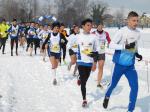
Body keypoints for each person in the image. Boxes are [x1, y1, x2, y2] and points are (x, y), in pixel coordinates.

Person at [103, 11, 143, 112]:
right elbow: (111, 45)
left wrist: (137, 53)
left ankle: (130, 110)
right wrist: (124, 46)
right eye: (133, 20)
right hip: (118, 65)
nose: (136, 23)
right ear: (128, 21)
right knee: (113, 85)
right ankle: (107, 96)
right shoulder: (121, 31)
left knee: (135, 87)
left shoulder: (138, 33)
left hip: (130, 66)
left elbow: (134, 46)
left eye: (137, 20)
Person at [76, 19, 99, 107]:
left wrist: (95, 62)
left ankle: (79, 78)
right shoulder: (78, 36)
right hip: (81, 61)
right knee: (83, 82)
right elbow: (72, 46)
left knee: (85, 80)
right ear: (83, 26)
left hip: (89, 62)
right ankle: (84, 99)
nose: (90, 27)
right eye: (88, 25)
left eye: (91, 25)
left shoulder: (94, 37)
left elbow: (97, 51)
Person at [92, 23, 111, 88]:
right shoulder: (93, 33)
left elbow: (109, 41)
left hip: (102, 53)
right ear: (96, 26)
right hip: (94, 53)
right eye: (99, 26)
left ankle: (98, 83)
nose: (100, 27)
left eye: (101, 26)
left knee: (101, 67)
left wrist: (110, 44)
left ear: (102, 26)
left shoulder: (106, 33)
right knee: (93, 68)